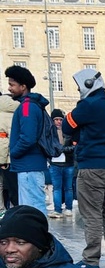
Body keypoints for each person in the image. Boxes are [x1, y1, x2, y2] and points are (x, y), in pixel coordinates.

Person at [63, 70, 105, 268]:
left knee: (92, 214)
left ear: (88, 84)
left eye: (79, 86)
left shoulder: (88, 105)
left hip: (92, 166)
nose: (78, 89)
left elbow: (67, 126)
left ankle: (91, 259)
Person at [4, 65, 49, 215]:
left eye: (12, 85)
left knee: (32, 210)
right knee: (31, 209)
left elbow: (28, 138)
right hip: (29, 166)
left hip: (29, 167)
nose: (9, 88)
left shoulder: (26, 107)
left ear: (23, 86)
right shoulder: (29, 105)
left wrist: (13, 152)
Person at [48, 109, 75, 218]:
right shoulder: (49, 132)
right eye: (56, 119)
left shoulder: (69, 132)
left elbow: (74, 146)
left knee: (68, 188)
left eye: (60, 119)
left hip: (68, 163)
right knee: (57, 188)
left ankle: (68, 208)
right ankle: (58, 210)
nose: (59, 121)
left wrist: (63, 149)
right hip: (55, 164)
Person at [0, 88, 18, 213]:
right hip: (12, 154)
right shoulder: (15, 109)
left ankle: (2, 209)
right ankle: (14, 210)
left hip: (4, 154)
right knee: (13, 186)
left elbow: (3, 138)